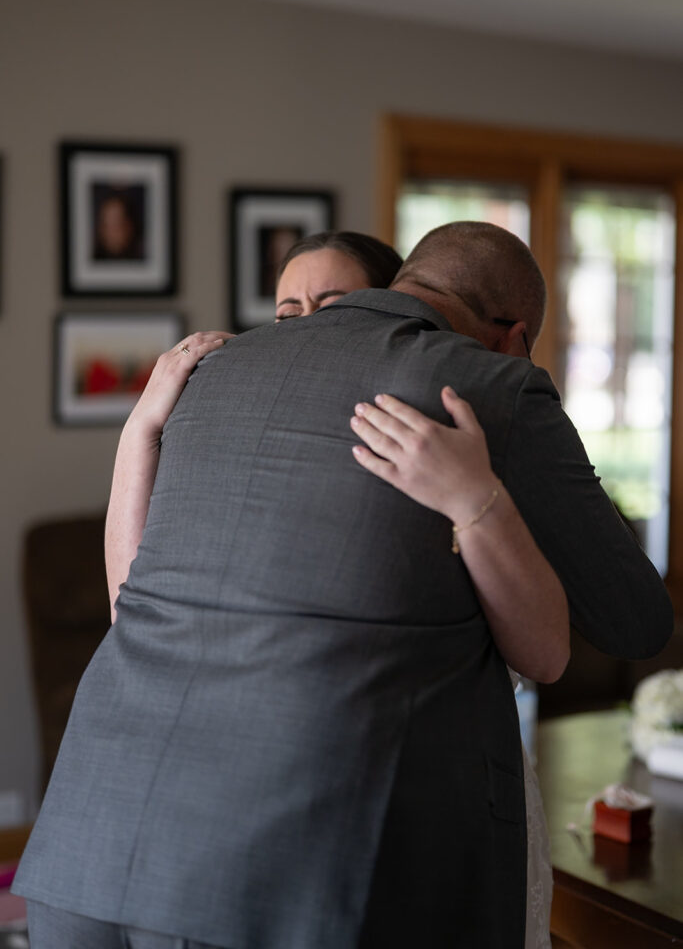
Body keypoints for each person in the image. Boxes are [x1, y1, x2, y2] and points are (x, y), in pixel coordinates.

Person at [14, 223, 672, 948]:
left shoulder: (207, 370)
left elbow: (130, 608)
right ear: (512, 338)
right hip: (278, 880)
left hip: (90, 841)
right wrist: (479, 499)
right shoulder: (491, 384)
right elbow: (636, 623)